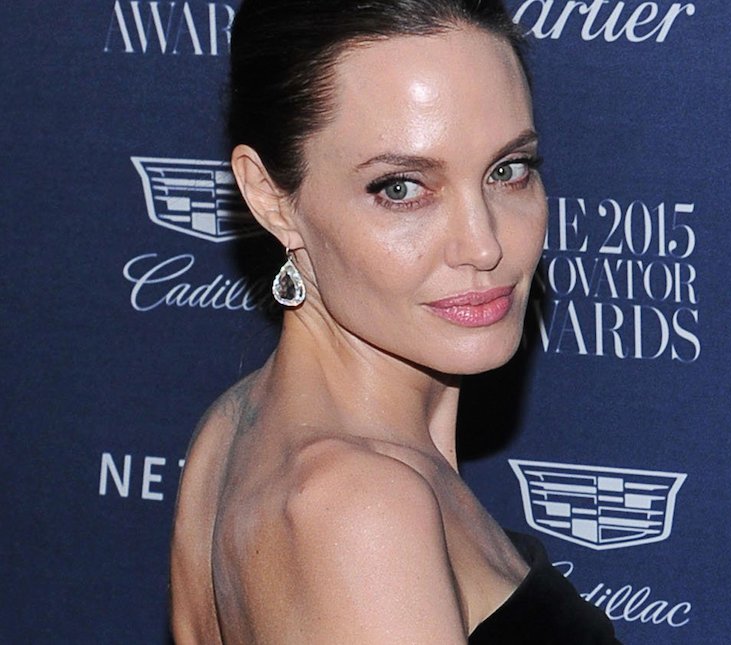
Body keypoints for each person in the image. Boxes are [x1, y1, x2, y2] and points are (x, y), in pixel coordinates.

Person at [170, 1, 620, 642]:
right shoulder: (361, 510)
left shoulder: (236, 423)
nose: (483, 245)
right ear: (271, 197)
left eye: (508, 171)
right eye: (401, 188)